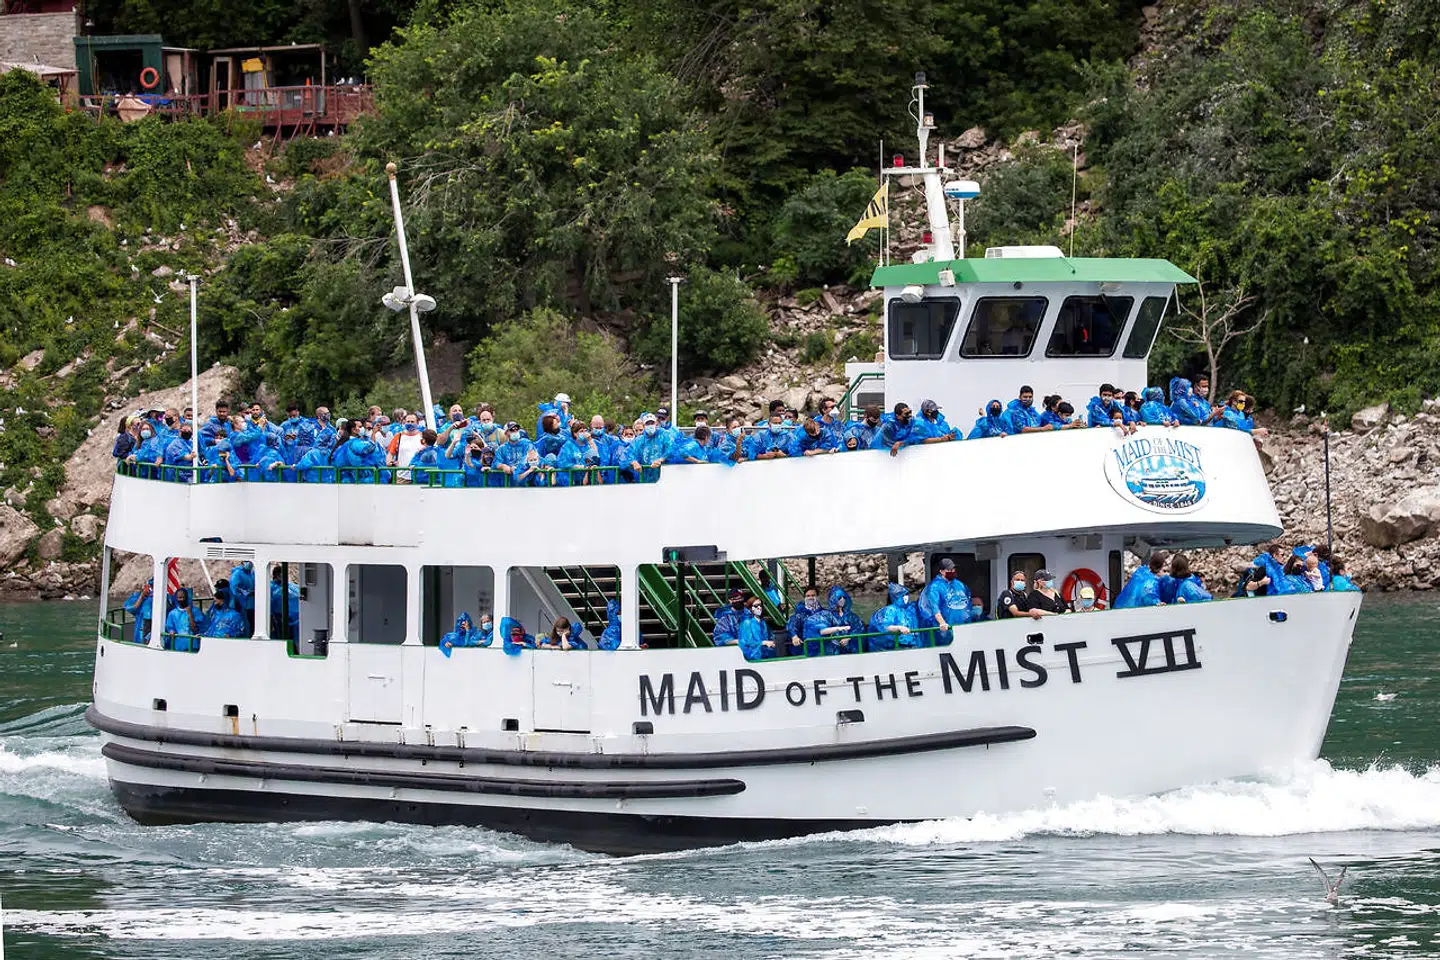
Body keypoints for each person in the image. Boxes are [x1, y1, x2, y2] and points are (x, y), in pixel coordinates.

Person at [918, 558, 970, 641]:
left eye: (953, 569)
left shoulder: (959, 585)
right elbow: (934, 607)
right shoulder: (935, 587)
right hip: (944, 630)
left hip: (962, 627)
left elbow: (967, 601)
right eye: (949, 569)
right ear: (941, 571)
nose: (952, 571)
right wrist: (942, 623)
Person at [867, 582, 920, 651]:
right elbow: (886, 626)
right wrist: (900, 628)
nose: (906, 597)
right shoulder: (890, 610)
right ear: (896, 596)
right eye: (904, 595)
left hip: (912, 644)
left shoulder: (908, 608)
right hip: (898, 646)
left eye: (907, 594)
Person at [627, 413, 673, 478]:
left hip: (664, 475)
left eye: (652, 423)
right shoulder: (639, 440)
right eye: (647, 424)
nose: (650, 425)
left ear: (656, 423)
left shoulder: (664, 435)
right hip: (645, 476)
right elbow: (629, 453)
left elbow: (671, 449)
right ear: (644, 425)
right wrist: (634, 462)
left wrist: (661, 459)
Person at [387, 413, 426, 481]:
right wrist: (389, 462)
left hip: (419, 477)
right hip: (402, 477)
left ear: (417, 423)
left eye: (412, 422)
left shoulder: (423, 437)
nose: (410, 423)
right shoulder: (398, 436)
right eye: (408, 421)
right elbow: (390, 453)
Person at [785, 585, 822, 657]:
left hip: (822, 647)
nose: (810, 598)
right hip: (805, 649)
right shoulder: (800, 614)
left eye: (813, 595)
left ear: (817, 597)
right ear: (804, 598)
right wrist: (794, 636)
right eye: (808, 596)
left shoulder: (824, 612)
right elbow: (791, 625)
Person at [738, 595, 777, 660]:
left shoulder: (762, 622)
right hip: (753, 658)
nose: (759, 608)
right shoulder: (746, 623)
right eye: (756, 606)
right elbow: (747, 641)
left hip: (765, 655)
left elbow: (769, 636)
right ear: (750, 608)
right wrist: (763, 643)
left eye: (760, 605)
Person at [123, 578, 158, 644]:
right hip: (143, 626)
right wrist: (142, 596)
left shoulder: (166, 597)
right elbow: (131, 608)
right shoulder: (139, 596)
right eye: (151, 586)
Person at [228, 560, 256, 633]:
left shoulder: (253, 573)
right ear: (242, 562)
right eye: (247, 561)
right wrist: (247, 593)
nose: (249, 563)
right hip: (243, 605)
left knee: (253, 625)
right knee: (246, 625)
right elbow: (234, 589)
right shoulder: (237, 574)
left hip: (253, 605)